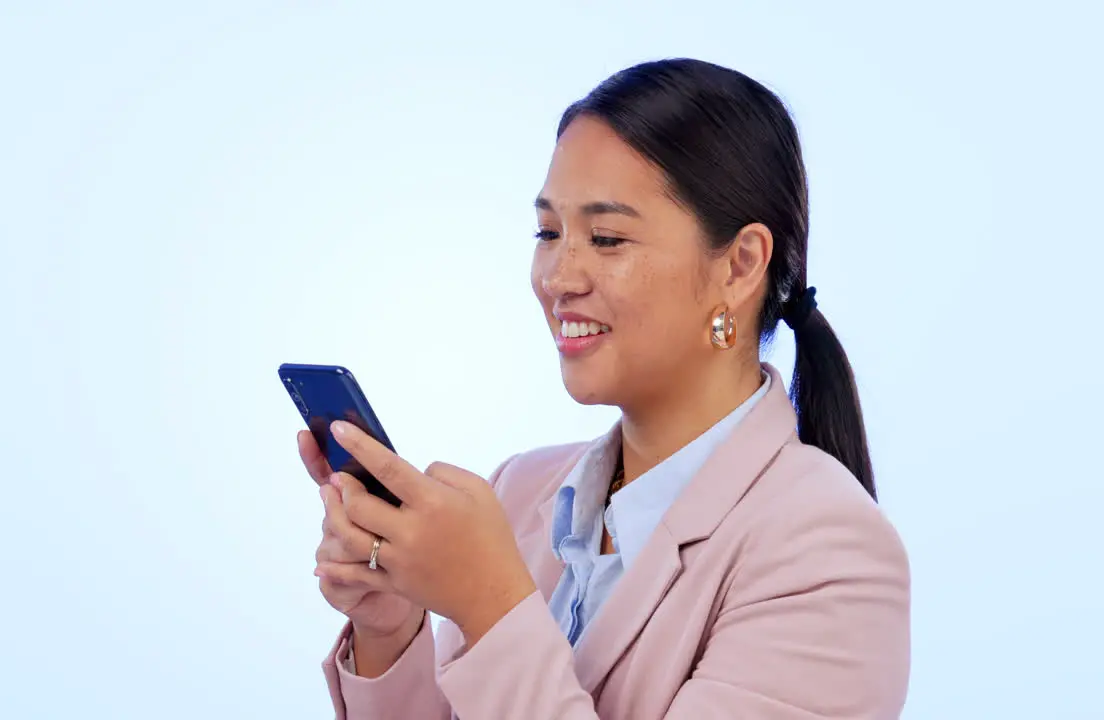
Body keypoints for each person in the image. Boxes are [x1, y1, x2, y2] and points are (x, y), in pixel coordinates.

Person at [302, 57, 910, 719]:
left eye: (607, 238)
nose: (558, 277)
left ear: (740, 266)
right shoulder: (520, 494)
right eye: (548, 232)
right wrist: (391, 630)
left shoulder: (828, 552)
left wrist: (489, 608)